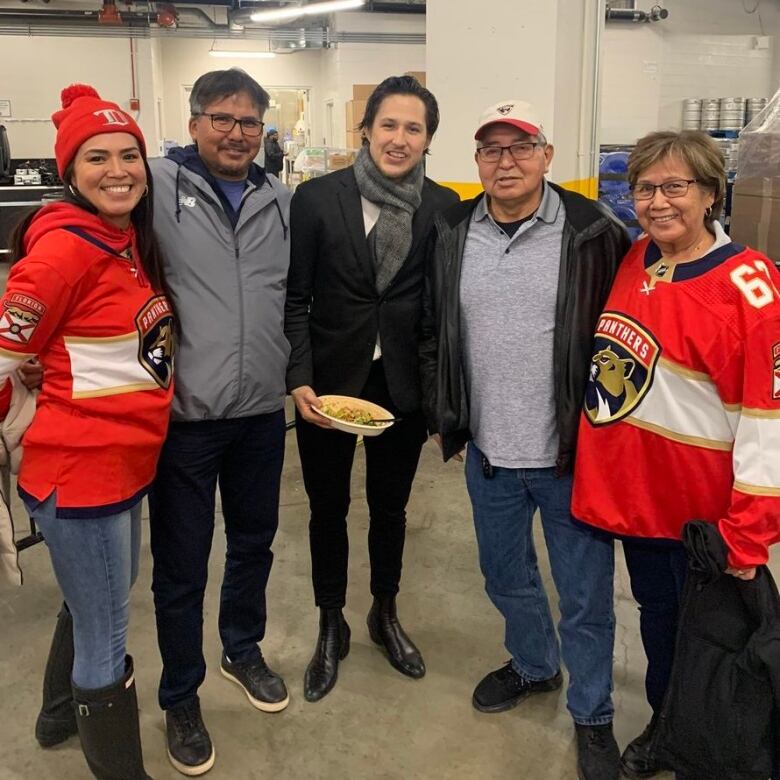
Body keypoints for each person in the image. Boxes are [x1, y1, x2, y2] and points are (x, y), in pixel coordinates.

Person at [419, 100, 631, 780]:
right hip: (489, 454)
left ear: (546, 155)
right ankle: (536, 665)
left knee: (586, 597)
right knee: (505, 578)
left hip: (571, 456)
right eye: (491, 150)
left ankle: (593, 715)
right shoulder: (453, 228)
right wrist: (444, 410)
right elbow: (433, 328)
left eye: (520, 147)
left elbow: (627, 334)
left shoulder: (594, 230)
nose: (505, 161)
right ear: (475, 161)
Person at [572, 129, 780, 779]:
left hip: (702, 519)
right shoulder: (638, 258)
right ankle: (669, 724)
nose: (658, 202)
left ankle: (694, 741)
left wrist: (749, 535)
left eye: (676, 187)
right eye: (645, 188)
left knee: (707, 644)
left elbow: (768, 426)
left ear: (712, 193)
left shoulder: (751, 289)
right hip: (640, 506)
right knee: (661, 626)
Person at [8, 83, 173, 779]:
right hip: (81, 474)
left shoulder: (124, 239)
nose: (117, 170)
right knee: (106, 632)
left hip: (117, 469)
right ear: (70, 173)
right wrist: (24, 378)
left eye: (128, 154)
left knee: (93, 604)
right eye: (97, 157)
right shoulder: (63, 251)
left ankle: (55, 718)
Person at [285, 75, 458, 703]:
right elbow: (295, 299)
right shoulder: (315, 199)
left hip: (401, 385)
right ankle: (331, 622)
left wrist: (440, 400)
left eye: (414, 128)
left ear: (428, 140)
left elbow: (440, 313)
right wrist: (299, 378)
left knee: (391, 509)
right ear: (366, 130)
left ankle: (384, 614)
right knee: (327, 509)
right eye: (389, 125)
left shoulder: (442, 209)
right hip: (327, 386)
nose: (399, 138)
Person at [148, 68, 291, 776]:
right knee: (179, 567)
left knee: (255, 543)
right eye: (223, 119)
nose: (237, 134)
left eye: (250, 123)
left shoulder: (278, 197)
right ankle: (181, 693)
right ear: (195, 119)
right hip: (187, 417)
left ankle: (242, 647)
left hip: (263, 412)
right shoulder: (154, 186)